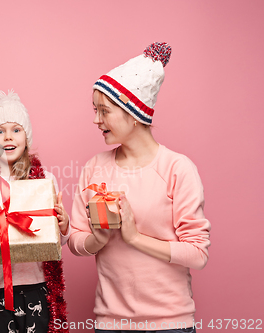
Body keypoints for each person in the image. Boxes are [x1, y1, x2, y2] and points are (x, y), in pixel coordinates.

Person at [68, 43, 211, 333]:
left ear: (133, 113)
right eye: (95, 110)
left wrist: (133, 237)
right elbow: (74, 239)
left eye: (104, 111)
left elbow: (198, 254)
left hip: (170, 325)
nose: (96, 120)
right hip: (110, 324)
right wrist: (98, 239)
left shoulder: (177, 168)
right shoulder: (94, 167)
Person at [0, 90, 70, 333]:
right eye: (0, 131)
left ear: (27, 136)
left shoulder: (44, 180)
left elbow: (57, 242)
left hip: (39, 285)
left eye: (16, 130)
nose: (8, 137)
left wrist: (63, 224)